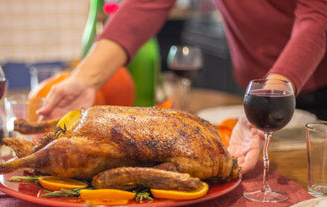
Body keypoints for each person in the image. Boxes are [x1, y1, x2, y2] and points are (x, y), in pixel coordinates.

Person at [38, 0, 327, 173]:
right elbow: (145, 5)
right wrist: (84, 79)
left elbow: (318, 15)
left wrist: (270, 96)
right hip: (259, 94)